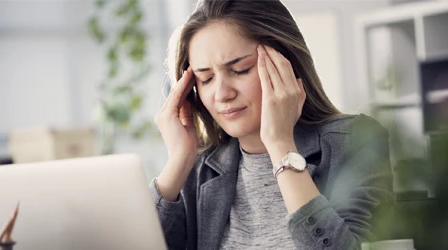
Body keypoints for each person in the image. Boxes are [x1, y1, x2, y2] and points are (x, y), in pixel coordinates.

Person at [150, 0, 393, 249]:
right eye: (206, 78)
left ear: (286, 65)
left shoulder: (355, 140)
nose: (222, 93)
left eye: (241, 70)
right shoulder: (200, 169)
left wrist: (281, 145)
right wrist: (179, 161)